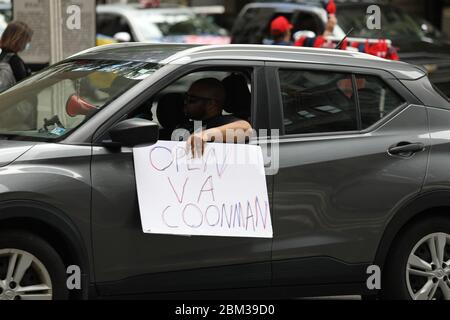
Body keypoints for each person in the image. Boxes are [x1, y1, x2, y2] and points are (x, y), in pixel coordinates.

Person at [178, 78, 252, 157]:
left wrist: (204, 135)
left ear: (211, 104)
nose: (185, 102)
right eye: (186, 97)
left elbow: (246, 129)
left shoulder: (219, 122)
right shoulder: (189, 123)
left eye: (191, 100)